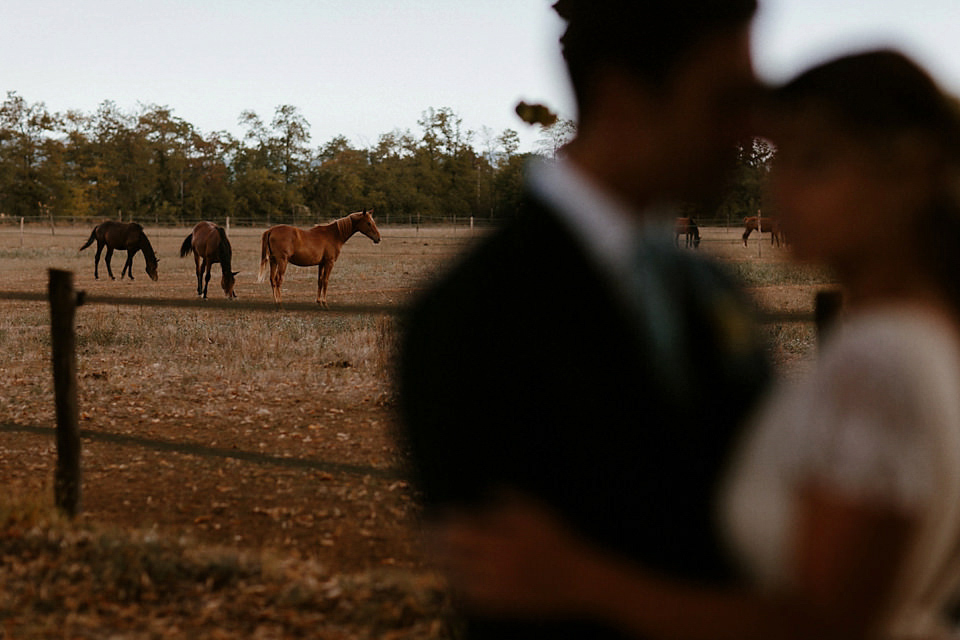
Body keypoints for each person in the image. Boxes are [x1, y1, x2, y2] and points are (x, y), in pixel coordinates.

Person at [433, 50, 960, 640]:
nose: (778, 188)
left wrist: (581, 580)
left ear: (910, 177)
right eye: (780, 159)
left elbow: (820, 627)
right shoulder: (925, 336)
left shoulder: (879, 363)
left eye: (814, 162)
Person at [397, 1, 771, 638]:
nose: (752, 127)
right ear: (623, 99)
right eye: (725, 100)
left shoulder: (713, 287)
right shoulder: (469, 318)